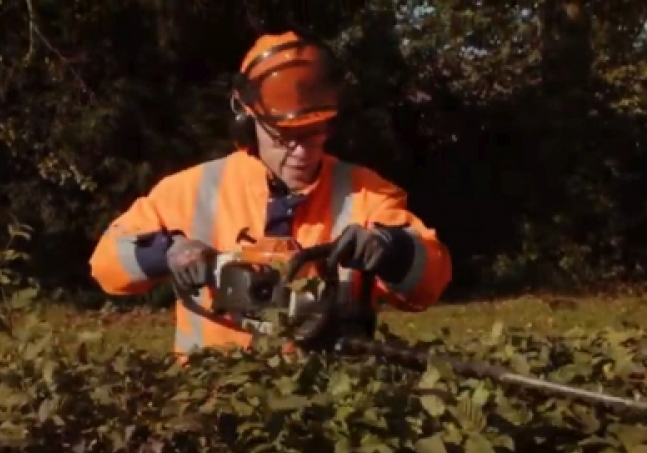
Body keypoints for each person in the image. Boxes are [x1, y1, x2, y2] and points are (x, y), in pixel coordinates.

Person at [88, 30, 452, 356]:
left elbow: (430, 282)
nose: (302, 152)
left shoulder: (367, 193)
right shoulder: (191, 190)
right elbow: (106, 263)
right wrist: (168, 252)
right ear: (248, 121)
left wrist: (390, 248)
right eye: (285, 138)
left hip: (331, 397)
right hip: (211, 396)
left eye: (314, 133)